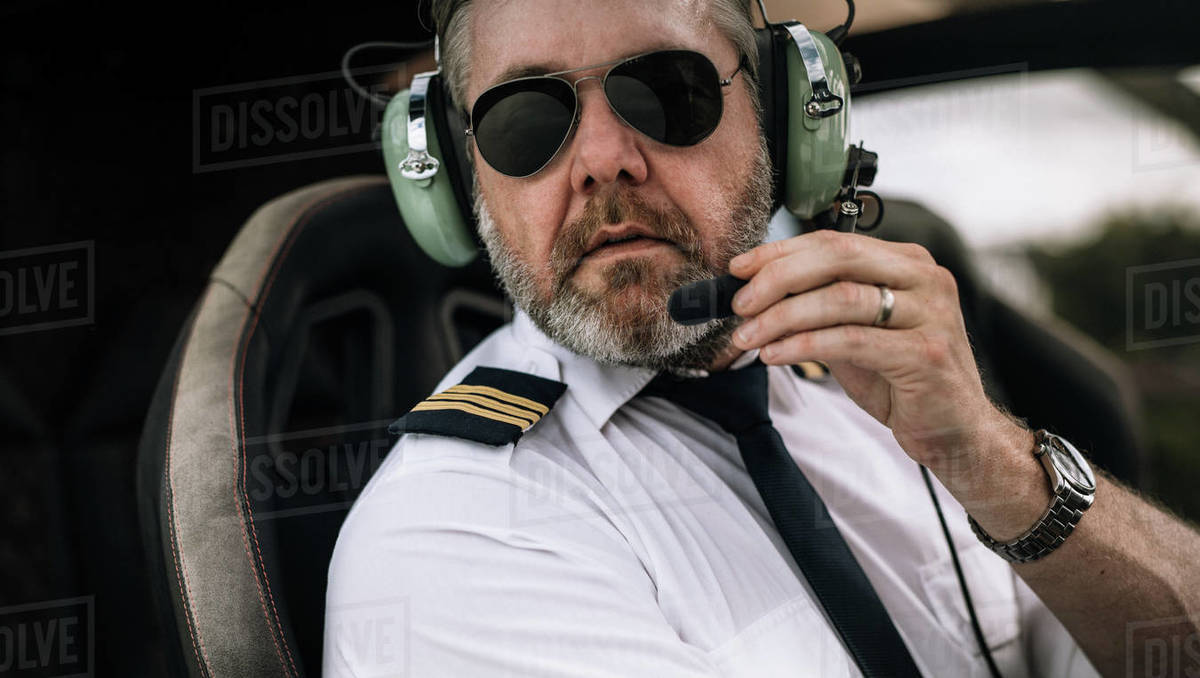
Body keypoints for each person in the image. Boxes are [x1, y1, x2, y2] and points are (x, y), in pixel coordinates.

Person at [324, 1, 1200, 676]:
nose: (602, 158)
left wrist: (994, 461)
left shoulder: (875, 386)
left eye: (667, 90)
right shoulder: (459, 536)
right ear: (453, 173)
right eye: (523, 121)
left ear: (787, 123)